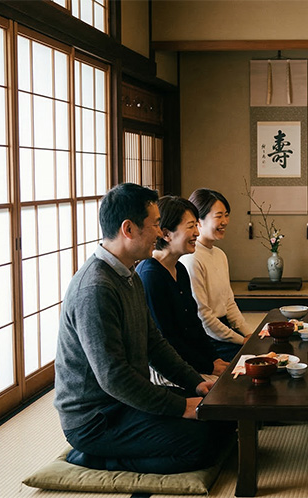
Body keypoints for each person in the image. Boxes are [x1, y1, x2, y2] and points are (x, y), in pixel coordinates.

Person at [54, 183, 225, 474]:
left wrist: (195, 382)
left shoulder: (129, 274)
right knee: (201, 445)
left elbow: (154, 343)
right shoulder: (95, 288)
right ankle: (93, 459)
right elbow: (114, 378)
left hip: (128, 402)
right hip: (97, 419)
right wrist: (181, 407)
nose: (160, 233)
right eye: (155, 224)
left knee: (221, 419)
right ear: (128, 229)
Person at [137, 196, 230, 386]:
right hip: (166, 369)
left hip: (189, 361)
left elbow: (194, 324)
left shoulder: (179, 268)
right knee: (228, 390)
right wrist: (208, 367)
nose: (197, 232)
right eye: (190, 226)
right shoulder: (150, 275)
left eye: (196, 225)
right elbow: (166, 340)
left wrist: (214, 359)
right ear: (166, 234)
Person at [181, 188, 253, 362]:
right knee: (254, 361)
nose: (225, 221)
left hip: (225, 330)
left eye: (226, 215)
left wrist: (248, 333)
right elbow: (204, 318)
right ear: (199, 221)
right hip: (208, 338)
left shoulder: (220, 254)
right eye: (219, 216)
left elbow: (229, 303)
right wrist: (241, 341)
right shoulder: (191, 259)